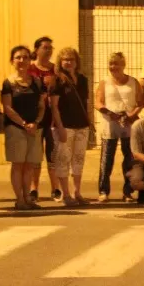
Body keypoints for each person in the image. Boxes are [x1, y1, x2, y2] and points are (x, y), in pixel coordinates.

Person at [0, 45, 47, 211]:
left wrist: (36, 122)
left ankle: (28, 197)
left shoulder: (37, 82)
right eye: (18, 57)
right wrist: (24, 124)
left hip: (35, 129)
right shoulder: (8, 83)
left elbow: (42, 105)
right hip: (16, 129)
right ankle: (19, 199)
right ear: (12, 61)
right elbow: (7, 108)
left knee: (30, 166)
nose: (22, 61)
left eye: (25, 57)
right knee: (18, 164)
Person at [95, 52, 141, 203]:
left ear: (123, 65)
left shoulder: (133, 82)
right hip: (110, 123)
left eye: (117, 64)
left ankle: (128, 191)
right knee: (107, 159)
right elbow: (98, 102)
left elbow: (140, 102)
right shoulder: (104, 82)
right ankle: (103, 191)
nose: (113, 67)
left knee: (129, 158)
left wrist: (131, 115)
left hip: (128, 124)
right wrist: (109, 113)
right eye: (111, 64)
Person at [49, 47, 91, 207]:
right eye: (65, 59)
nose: (68, 62)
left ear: (76, 61)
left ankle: (77, 192)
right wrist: (59, 127)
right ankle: (66, 194)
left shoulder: (82, 79)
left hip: (81, 124)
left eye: (71, 59)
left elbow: (86, 102)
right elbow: (54, 106)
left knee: (79, 159)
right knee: (63, 160)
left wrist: (89, 120)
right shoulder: (57, 80)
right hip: (64, 125)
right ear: (60, 61)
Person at [28, 36, 57, 202]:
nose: (48, 50)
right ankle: (34, 188)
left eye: (50, 47)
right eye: (45, 47)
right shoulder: (30, 69)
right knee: (36, 155)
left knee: (52, 154)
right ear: (37, 50)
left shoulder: (56, 69)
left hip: (53, 117)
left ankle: (55, 188)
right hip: (36, 117)